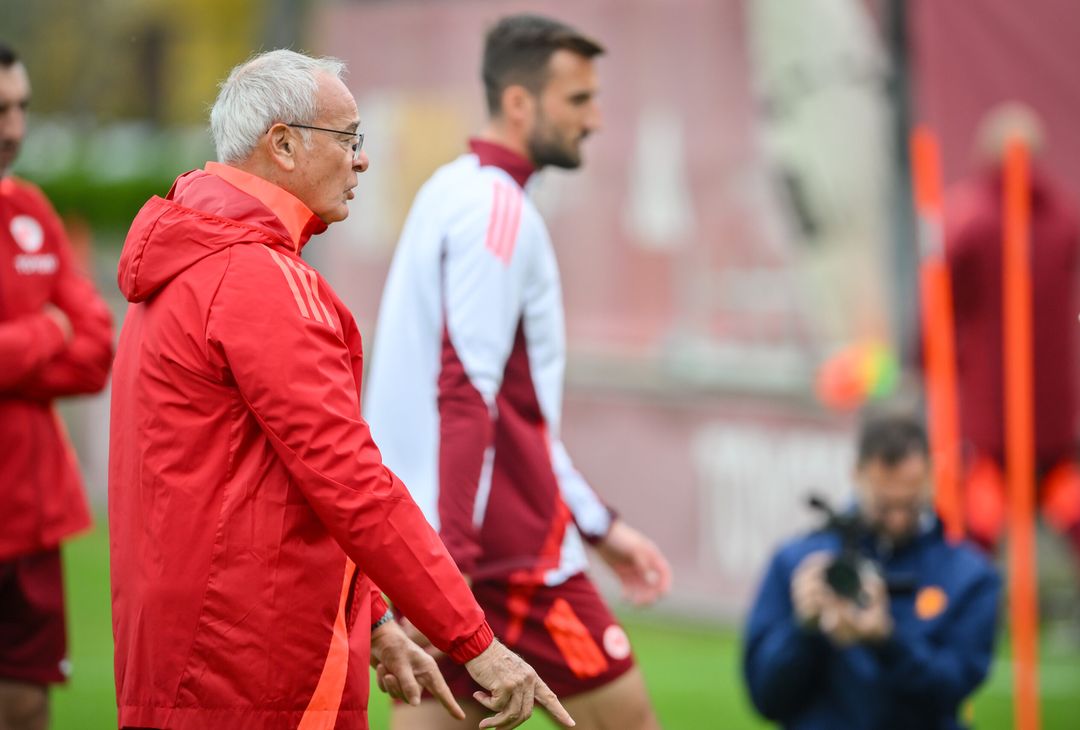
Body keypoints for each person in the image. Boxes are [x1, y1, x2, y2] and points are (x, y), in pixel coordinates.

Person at [108, 50, 574, 730]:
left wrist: (377, 618)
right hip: (250, 662)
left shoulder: (199, 255)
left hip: (198, 649)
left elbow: (277, 479)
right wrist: (476, 642)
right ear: (285, 145)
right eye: (351, 138)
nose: (363, 161)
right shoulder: (256, 277)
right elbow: (351, 481)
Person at [364, 14, 671, 730]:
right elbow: (468, 393)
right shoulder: (495, 212)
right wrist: (455, 564)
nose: (595, 119)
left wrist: (600, 526)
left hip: (435, 532)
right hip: (502, 553)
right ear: (519, 103)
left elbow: (511, 407)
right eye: (578, 100)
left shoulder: (452, 189)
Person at [742, 413, 1000, 729]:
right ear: (857, 475)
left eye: (909, 505)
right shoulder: (798, 562)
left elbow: (952, 689)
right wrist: (805, 630)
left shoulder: (970, 576)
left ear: (931, 478)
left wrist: (887, 642)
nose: (897, 520)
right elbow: (765, 698)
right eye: (884, 505)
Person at [0, 43, 114, 730]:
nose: (13, 126)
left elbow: (96, 350)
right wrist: (47, 332)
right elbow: (68, 336)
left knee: (27, 702)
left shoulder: (31, 208)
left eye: (20, 107)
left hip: (33, 515)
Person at [944, 102, 1080, 559]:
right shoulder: (1063, 217)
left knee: (976, 543)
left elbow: (942, 307)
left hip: (993, 422)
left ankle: (970, 622)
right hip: (1052, 422)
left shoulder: (970, 219)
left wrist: (928, 361)